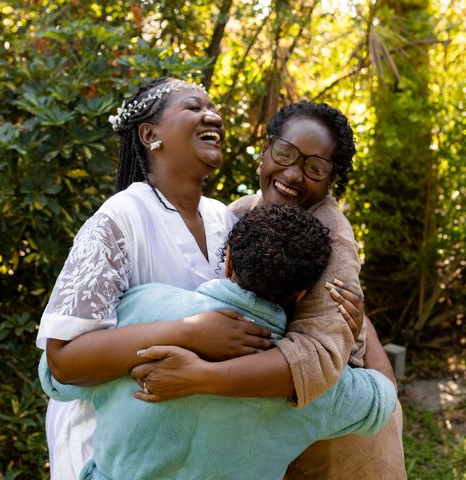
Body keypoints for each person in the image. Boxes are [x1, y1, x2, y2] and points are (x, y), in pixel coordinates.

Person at [130, 101, 407, 479]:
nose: (293, 175)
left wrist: (198, 377)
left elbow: (318, 358)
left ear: (331, 181)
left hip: (337, 436)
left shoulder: (334, 238)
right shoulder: (239, 213)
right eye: (285, 153)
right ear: (266, 150)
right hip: (267, 425)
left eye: (314, 168)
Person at [39, 205, 398, 479]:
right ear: (302, 294)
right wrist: (359, 322)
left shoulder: (140, 307)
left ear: (227, 261)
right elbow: (384, 396)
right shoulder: (313, 384)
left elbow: (54, 379)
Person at [37, 77, 277, 479]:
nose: (213, 116)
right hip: (105, 448)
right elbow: (64, 360)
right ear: (150, 135)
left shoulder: (226, 219)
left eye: (213, 108)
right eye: (193, 107)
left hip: (181, 449)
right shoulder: (120, 220)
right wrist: (191, 332)